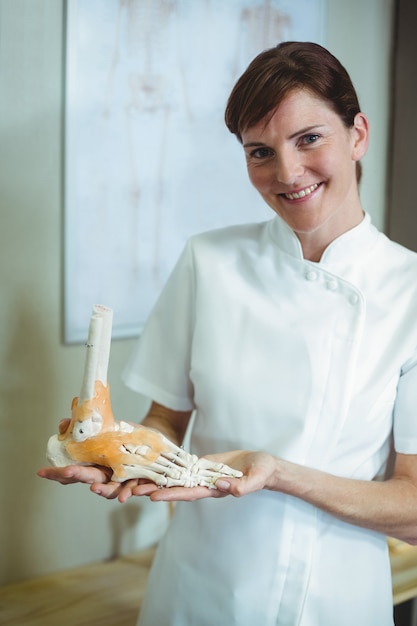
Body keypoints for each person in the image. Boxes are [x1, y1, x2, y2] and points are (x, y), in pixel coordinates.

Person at [39, 41, 417, 626]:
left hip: (332, 600)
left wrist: (282, 474)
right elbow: (165, 423)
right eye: (260, 152)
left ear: (358, 134)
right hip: (197, 587)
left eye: (309, 138)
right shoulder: (208, 262)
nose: (287, 173)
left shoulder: (409, 292)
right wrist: (122, 455)